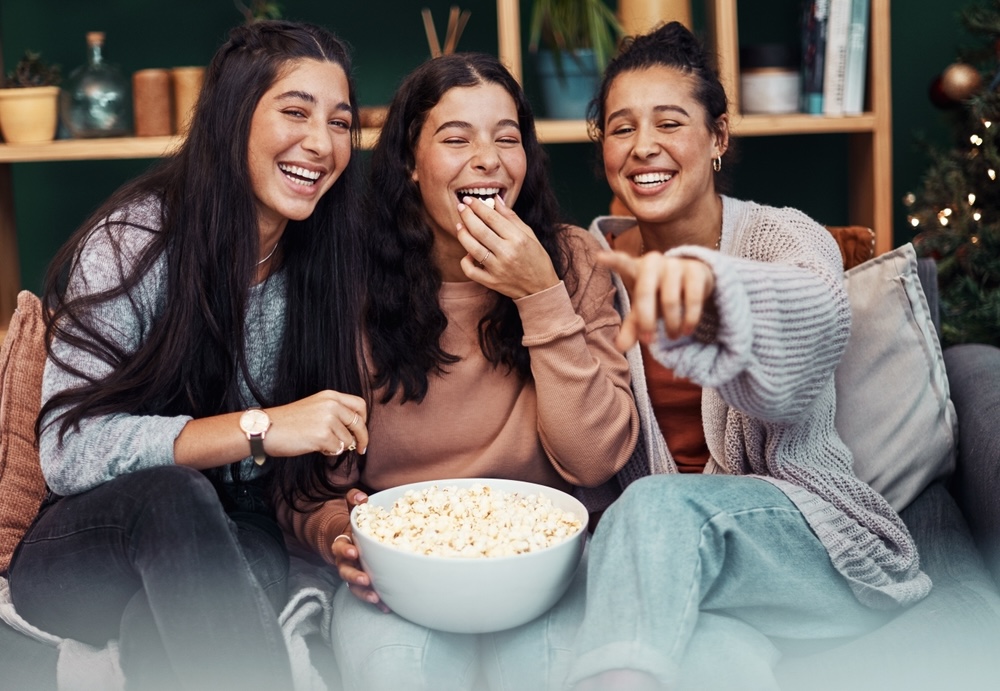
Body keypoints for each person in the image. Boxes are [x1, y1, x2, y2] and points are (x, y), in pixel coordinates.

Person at [564, 22, 932, 691]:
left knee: (653, 505)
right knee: (709, 654)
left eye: (670, 122)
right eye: (621, 128)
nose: (643, 145)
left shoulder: (783, 235)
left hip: (809, 549)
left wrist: (710, 291)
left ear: (719, 137)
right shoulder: (589, 268)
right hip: (666, 567)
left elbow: (813, 321)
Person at [7, 20, 370, 691]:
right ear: (233, 117)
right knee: (177, 495)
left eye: (341, 122)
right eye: (295, 111)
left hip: (240, 531)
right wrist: (261, 427)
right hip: (94, 541)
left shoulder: (328, 261)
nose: (321, 143)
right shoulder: (137, 242)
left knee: (165, 624)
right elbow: (66, 449)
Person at [276, 52, 640, 691]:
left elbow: (594, 460)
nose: (489, 159)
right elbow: (310, 486)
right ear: (412, 164)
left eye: (507, 138)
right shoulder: (345, 281)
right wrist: (338, 532)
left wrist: (539, 295)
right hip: (402, 577)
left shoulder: (576, 261)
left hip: (548, 572)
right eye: (456, 138)